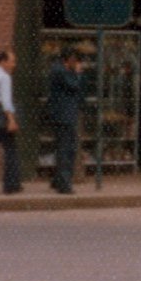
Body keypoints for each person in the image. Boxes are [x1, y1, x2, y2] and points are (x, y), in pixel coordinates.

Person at [47, 46, 85, 195]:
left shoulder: (59, 69)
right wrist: (78, 74)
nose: (76, 63)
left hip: (63, 114)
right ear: (68, 59)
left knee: (62, 148)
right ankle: (64, 184)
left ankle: (57, 180)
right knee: (66, 149)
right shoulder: (62, 71)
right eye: (74, 60)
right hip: (64, 116)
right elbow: (74, 86)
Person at [0, 49, 18, 195]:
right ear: (3, 62)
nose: (13, 65)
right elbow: (6, 100)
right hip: (1, 115)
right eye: (11, 62)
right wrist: (11, 120)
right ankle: (10, 185)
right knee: (10, 149)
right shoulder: (4, 77)